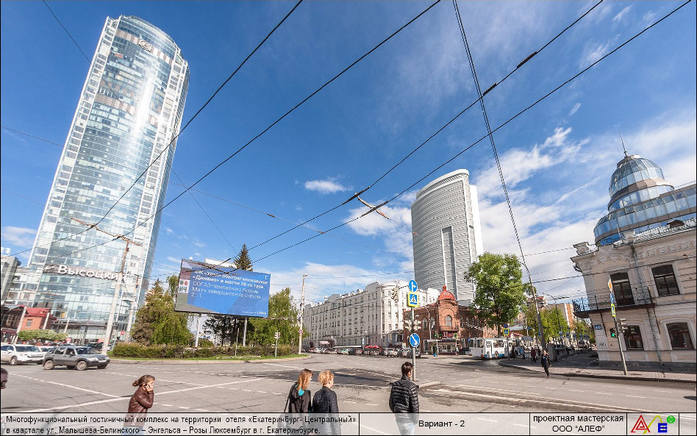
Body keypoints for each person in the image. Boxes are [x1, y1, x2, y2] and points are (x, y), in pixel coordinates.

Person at [389, 362, 419, 435]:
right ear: (409, 373)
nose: (411, 373)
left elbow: (391, 403)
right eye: (411, 371)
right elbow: (415, 406)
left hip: (398, 418)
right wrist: (415, 420)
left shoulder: (395, 385)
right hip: (408, 419)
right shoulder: (412, 387)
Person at [312, 370, 340, 435]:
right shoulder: (332, 394)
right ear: (329, 381)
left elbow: (313, 413)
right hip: (329, 429)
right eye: (332, 379)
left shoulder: (317, 394)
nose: (333, 381)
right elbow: (334, 415)